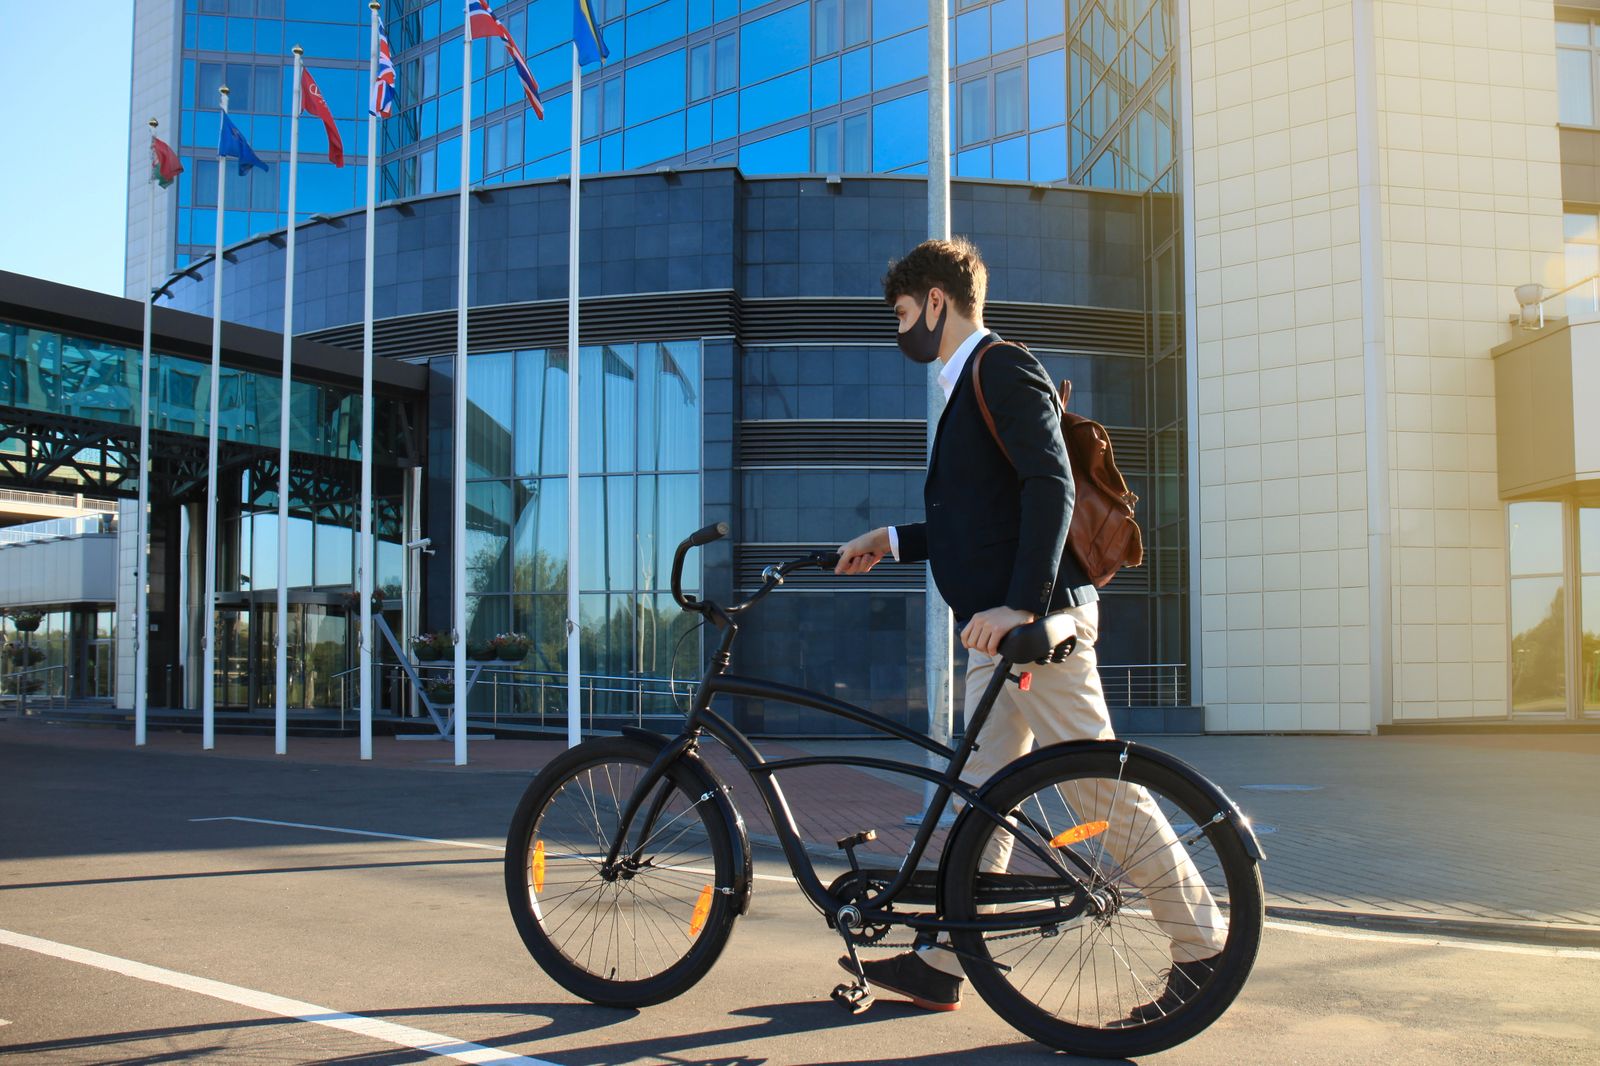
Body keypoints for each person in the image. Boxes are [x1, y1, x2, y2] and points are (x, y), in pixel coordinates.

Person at [833, 237, 1225, 1019]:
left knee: (1095, 790)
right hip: (1003, 636)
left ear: (937, 302)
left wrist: (1022, 604)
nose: (900, 330)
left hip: (1036, 628)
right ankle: (945, 958)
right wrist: (895, 539)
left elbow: (1050, 485)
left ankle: (1202, 947)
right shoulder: (970, 383)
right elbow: (984, 513)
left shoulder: (1000, 366)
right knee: (981, 793)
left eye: (905, 314)